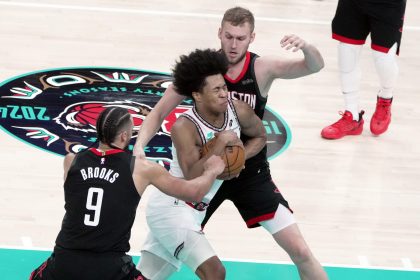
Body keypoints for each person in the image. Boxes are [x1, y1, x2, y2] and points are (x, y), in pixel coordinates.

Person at [134, 7, 327, 280]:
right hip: (205, 176)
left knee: (300, 250)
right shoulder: (200, 72)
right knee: (157, 264)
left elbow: (315, 66)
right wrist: (140, 145)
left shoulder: (261, 68)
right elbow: (159, 112)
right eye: (229, 36)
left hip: (250, 172)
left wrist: (306, 46)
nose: (234, 44)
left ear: (252, 38)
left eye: (241, 38)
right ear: (219, 34)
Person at [29, 106, 225, 280]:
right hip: (110, 267)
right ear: (124, 136)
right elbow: (193, 193)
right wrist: (212, 171)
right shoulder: (141, 169)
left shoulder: (71, 161)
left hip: (65, 261)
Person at [137, 49, 267, 280]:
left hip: (196, 210)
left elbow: (260, 136)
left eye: (224, 87)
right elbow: (192, 176)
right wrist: (220, 145)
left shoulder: (237, 110)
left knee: (146, 276)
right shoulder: (184, 127)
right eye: (216, 89)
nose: (224, 93)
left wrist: (238, 157)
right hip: (172, 206)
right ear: (197, 95)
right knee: (215, 272)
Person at [321, 0, 406, 139]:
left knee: (384, 60)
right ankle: (353, 116)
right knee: (346, 54)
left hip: (389, 5)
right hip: (353, 3)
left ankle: (385, 97)